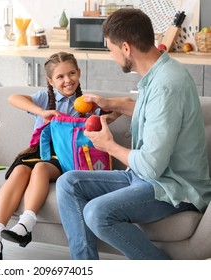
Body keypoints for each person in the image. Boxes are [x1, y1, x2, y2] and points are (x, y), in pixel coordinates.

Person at [56, 9, 211, 260]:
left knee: (98, 213)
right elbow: (158, 113)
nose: (111, 56)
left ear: (126, 48)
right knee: (68, 183)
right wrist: (112, 103)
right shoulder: (159, 72)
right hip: (145, 177)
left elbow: (151, 166)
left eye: (111, 49)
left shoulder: (166, 85)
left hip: (173, 186)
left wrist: (109, 146)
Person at [0, 52, 84, 260]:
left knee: (40, 168)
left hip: (62, 155)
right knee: (20, 170)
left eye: (71, 73)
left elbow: (107, 117)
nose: (67, 80)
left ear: (79, 73)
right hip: (37, 150)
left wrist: (107, 111)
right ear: (50, 81)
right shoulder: (44, 99)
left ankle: (26, 223)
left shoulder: (85, 104)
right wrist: (41, 112)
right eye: (60, 77)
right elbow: (13, 98)